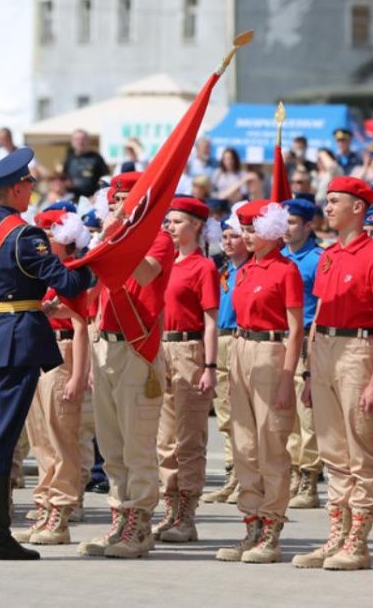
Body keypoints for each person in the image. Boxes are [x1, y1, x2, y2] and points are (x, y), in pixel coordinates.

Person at [0, 147, 92, 561]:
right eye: (29, 186)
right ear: (17, 189)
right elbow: (68, 283)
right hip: (18, 341)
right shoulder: (26, 236)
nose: (31, 192)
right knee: (1, 437)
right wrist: (98, 262)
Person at [291, 178, 373, 571]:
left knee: (361, 447)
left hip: (358, 349)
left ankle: (358, 539)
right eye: (326, 201)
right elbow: (317, 316)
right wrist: (311, 371)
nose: (327, 208)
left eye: (335, 202)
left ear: (358, 208)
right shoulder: (329, 255)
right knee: (332, 449)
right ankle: (337, 532)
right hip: (326, 348)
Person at [78, 171, 174, 560]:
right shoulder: (108, 238)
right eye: (114, 200)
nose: (115, 207)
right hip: (106, 344)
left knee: (137, 444)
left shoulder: (160, 238)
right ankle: (119, 517)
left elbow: (146, 272)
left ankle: (140, 521)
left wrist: (122, 241)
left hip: (137, 348)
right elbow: (92, 292)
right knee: (111, 443)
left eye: (124, 201)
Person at [215, 200, 303, 565]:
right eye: (245, 229)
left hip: (270, 351)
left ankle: (271, 526)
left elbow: (296, 328)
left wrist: (287, 378)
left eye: (253, 230)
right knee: (244, 443)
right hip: (241, 347)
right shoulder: (244, 270)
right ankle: (250, 522)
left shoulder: (286, 271)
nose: (247, 237)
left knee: (270, 442)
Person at [16, 208, 92, 545]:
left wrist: (77, 375)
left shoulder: (73, 274)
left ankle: (60, 512)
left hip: (62, 354)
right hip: (38, 353)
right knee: (41, 438)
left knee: (62, 437)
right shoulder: (41, 274)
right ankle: (45, 504)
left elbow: (81, 327)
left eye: (48, 233)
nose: (43, 240)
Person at [151, 198, 218, 544]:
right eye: (169, 221)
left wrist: (209, 365)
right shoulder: (165, 263)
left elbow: (210, 321)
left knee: (189, 438)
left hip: (190, 350)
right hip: (162, 348)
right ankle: (169, 507)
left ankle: (186, 514)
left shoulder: (202, 266)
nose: (170, 227)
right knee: (165, 441)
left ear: (196, 226)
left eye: (177, 222)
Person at [202, 214, 248, 504]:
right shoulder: (224, 271)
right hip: (220, 338)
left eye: (235, 236)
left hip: (240, 338)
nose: (228, 242)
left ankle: (245, 475)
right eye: (225, 236)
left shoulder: (250, 270)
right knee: (225, 413)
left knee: (242, 413)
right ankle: (232, 473)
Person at [281, 198, 323, 510]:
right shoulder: (278, 257)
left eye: (293, 221)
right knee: (287, 415)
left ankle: (309, 477)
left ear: (309, 225)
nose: (286, 227)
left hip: (306, 336)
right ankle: (292, 471)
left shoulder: (317, 259)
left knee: (307, 413)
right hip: (280, 338)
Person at [63, 129, 109, 200]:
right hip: (73, 199)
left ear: (88, 141)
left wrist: (97, 195)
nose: (80, 142)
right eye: (77, 139)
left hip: (92, 199)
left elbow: (105, 178)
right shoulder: (69, 159)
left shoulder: (96, 158)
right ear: (72, 141)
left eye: (83, 139)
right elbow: (63, 177)